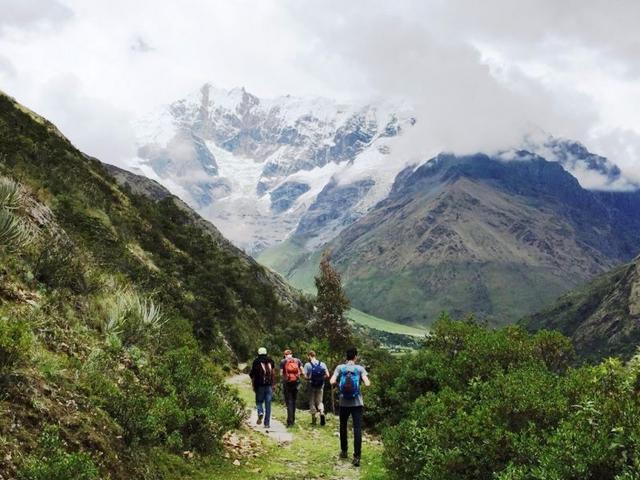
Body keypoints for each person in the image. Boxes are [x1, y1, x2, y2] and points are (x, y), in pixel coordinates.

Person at [330, 347, 371, 467]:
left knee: (343, 426)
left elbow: (332, 380)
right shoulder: (359, 369)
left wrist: (338, 382)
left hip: (343, 403)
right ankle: (357, 457)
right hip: (357, 403)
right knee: (357, 429)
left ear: (346, 357)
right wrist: (364, 382)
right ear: (355, 357)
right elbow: (367, 383)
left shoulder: (340, 368)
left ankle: (344, 451)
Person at [249, 347, 275, 429]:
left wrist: (253, 385)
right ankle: (267, 424)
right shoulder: (271, 361)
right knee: (268, 405)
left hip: (260, 386)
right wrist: (273, 384)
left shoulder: (256, 361)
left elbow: (252, 375)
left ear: (258, 353)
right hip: (269, 386)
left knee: (259, 401)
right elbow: (273, 373)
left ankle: (260, 412)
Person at [303, 350, 329, 426]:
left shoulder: (307, 365)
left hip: (311, 385)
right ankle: (321, 412)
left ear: (309, 356)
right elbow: (327, 375)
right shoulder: (322, 364)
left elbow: (305, 376)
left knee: (312, 401)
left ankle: (314, 420)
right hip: (321, 385)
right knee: (320, 401)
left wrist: (309, 378)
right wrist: (321, 379)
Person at [279, 349, 304, 427]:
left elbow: (280, 374)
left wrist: (285, 377)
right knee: (294, 401)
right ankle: (293, 420)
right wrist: (298, 377)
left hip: (287, 383)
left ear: (285, 355)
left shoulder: (283, 361)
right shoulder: (297, 360)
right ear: (292, 354)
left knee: (289, 402)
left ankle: (289, 422)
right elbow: (302, 372)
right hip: (296, 383)